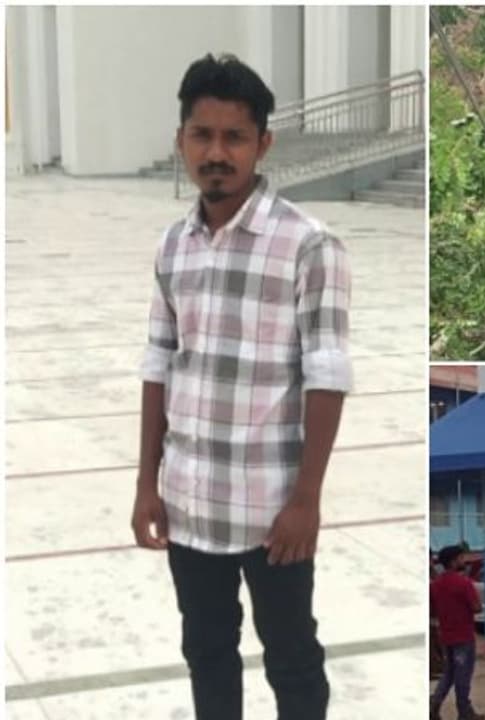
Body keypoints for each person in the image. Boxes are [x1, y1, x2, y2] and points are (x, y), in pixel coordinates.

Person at [130, 54, 351, 720]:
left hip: (272, 512)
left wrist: (306, 499)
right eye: (203, 135)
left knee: (292, 660)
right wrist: (148, 482)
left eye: (234, 137)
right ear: (181, 141)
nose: (217, 153)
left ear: (263, 144)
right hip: (191, 504)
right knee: (206, 652)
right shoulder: (175, 246)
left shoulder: (309, 246)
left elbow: (328, 373)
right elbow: (158, 363)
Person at [430, 546, 485, 720]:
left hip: (446, 635)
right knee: (463, 674)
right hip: (463, 635)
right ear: (454, 561)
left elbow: (432, 611)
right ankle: (464, 710)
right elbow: (476, 607)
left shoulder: (435, 584)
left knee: (449, 672)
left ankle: (434, 704)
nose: (464, 561)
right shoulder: (463, 583)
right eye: (461, 558)